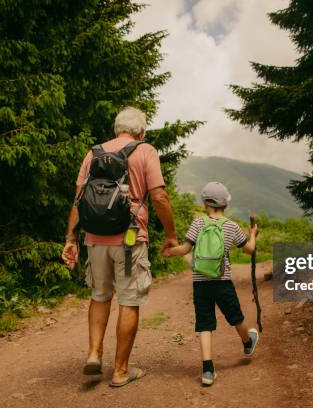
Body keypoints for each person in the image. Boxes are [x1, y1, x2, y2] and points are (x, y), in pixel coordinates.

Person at [61, 107, 178, 387]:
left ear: (117, 129)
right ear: (141, 131)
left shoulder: (94, 153)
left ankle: (93, 354)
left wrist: (70, 239)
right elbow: (159, 197)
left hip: (94, 238)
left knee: (100, 296)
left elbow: (79, 199)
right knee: (128, 300)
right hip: (129, 239)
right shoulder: (145, 150)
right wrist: (171, 234)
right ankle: (121, 370)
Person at [162, 181, 260, 386]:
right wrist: (252, 235)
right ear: (225, 204)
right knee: (236, 317)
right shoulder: (232, 226)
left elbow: (185, 249)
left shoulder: (198, 223)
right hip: (222, 281)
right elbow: (249, 249)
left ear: (205, 202)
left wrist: (169, 251)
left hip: (200, 283)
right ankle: (247, 342)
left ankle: (207, 370)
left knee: (204, 324)